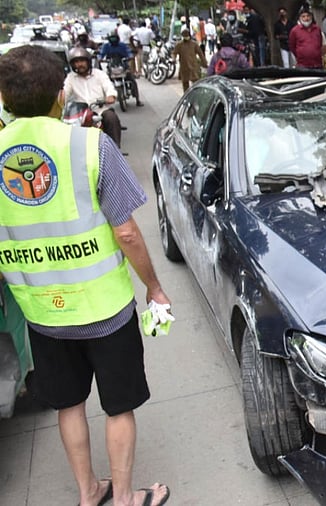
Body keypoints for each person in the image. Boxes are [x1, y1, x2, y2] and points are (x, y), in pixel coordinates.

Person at [0, 44, 172, 506]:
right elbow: (127, 233)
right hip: (105, 308)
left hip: (40, 311)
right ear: (61, 93)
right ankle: (125, 499)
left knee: (68, 404)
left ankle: (87, 492)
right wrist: (154, 287)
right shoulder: (90, 145)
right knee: (118, 406)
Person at [65, 48, 125, 147]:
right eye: (76, 62)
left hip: (100, 110)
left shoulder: (99, 74)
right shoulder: (70, 77)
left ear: (88, 61)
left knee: (111, 118)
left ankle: (115, 149)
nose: (79, 64)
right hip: (80, 113)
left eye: (82, 61)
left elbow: (109, 87)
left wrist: (110, 96)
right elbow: (65, 93)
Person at [98, 33, 143, 107]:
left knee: (133, 80)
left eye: (114, 38)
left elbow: (128, 52)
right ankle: (102, 101)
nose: (113, 40)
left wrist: (130, 56)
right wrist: (100, 58)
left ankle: (138, 100)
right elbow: (101, 54)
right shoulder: (106, 46)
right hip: (111, 67)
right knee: (104, 82)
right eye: (112, 39)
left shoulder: (122, 45)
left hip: (123, 66)